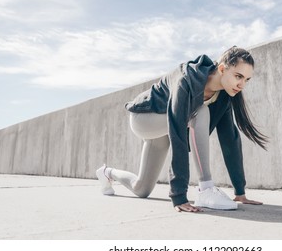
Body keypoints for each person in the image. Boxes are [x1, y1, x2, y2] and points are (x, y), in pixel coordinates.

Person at [96, 46, 267, 212]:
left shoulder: (224, 96)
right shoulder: (188, 78)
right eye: (238, 76)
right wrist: (179, 196)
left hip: (165, 128)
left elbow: (230, 138)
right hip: (144, 118)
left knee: (141, 189)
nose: (242, 84)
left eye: (246, 79)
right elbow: (178, 130)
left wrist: (240, 192)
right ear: (222, 69)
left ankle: (107, 173)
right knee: (200, 111)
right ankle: (205, 189)